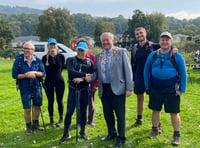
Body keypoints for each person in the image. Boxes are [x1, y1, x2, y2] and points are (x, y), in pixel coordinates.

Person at [143, 32, 187, 146]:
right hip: (155, 89)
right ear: (160, 41)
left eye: (167, 40)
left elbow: (183, 73)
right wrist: (147, 87)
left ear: (171, 42)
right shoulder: (153, 55)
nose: (164, 42)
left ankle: (176, 135)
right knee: (155, 110)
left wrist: (181, 89)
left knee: (174, 113)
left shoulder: (176, 56)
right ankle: (155, 130)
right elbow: (146, 70)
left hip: (172, 90)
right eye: (162, 40)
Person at [90, 32, 133, 148]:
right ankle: (111, 133)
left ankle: (121, 137)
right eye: (103, 40)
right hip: (104, 88)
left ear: (112, 41)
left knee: (120, 114)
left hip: (118, 88)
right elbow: (97, 72)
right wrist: (90, 77)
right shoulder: (99, 55)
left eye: (107, 40)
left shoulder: (121, 52)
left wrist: (129, 88)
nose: (105, 42)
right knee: (107, 113)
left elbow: (128, 70)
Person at [131, 27, 176, 127]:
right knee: (139, 98)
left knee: (155, 102)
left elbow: (166, 46)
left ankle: (157, 125)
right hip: (138, 77)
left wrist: (174, 48)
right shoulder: (134, 48)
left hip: (151, 77)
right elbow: (132, 63)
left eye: (141, 33)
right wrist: (133, 79)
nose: (139, 35)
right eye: (137, 34)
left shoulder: (153, 46)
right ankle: (139, 119)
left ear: (145, 33)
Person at [59, 41, 94, 143]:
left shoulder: (89, 62)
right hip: (73, 90)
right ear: (76, 50)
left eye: (82, 50)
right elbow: (71, 72)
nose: (80, 52)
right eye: (79, 50)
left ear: (86, 51)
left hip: (84, 90)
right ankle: (66, 133)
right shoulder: (71, 60)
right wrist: (84, 76)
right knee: (69, 112)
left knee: (83, 112)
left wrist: (82, 79)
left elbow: (91, 76)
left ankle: (82, 131)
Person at [12, 41, 46, 135]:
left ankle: (36, 124)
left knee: (37, 106)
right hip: (24, 87)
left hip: (36, 86)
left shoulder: (38, 61)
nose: (25, 50)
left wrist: (34, 73)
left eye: (28, 49)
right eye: (24, 48)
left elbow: (43, 73)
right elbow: (14, 75)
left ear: (33, 50)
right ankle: (28, 127)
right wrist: (26, 75)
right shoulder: (18, 61)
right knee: (27, 108)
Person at [42, 38, 65, 127]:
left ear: (56, 46)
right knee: (50, 101)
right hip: (49, 82)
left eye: (54, 45)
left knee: (60, 100)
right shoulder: (45, 58)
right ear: (48, 47)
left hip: (59, 81)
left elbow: (61, 67)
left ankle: (60, 119)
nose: (52, 47)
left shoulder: (61, 57)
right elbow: (43, 70)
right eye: (50, 45)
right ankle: (51, 119)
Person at [77, 39, 98, 127]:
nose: (81, 51)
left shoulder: (93, 57)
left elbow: (96, 72)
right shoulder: (76, 58)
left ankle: (90, 119)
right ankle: (80, 121)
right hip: (79, 85)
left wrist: (96, 85)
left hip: (91, 85)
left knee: (91, 104)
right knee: (79, 104)